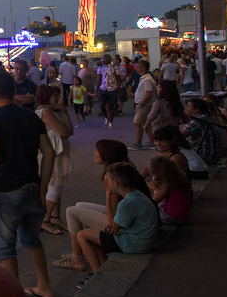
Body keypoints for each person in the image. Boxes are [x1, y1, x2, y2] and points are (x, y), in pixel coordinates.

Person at [0, 71, 56, 297]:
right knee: (31, 239)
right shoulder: (31, 117)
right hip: (32, 186)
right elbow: (49, 153)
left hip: (7, 190)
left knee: (5, 248)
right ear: (15, 90)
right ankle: (44, 286)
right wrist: (43, 186)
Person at [53, 139, 133, 272]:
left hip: (122, 225)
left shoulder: (111, 176)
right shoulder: (124, 168)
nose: (94, 152)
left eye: (98, 151)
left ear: (107, 155)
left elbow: (113, 213)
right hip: (124, 217)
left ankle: (77, 259)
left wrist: (105, 210)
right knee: (79, 205)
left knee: (71, 211)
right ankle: (81, 252)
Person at [77, 162, 159, 271]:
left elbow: (112, 226)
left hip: (135, 244)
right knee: (95, 234)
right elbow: (115, 227)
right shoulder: (137, 195)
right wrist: (114, 228)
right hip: (143, 240)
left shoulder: (127, 203)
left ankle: (96, 273)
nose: (108, 183)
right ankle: (103, 268)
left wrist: (108, 198)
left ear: (115, 183)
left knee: (82, 235)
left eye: (109, 180)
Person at [35, 85, 73, 236]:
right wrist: (63, 112)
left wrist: (64, 111)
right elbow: (64, 132)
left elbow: (70, 131)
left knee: (58, 185)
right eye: (55, 96)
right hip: (53, 155)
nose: (57, 99)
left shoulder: (50, 112)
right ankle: (45, 220)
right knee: (55, 186)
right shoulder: (45, 112)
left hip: (57, 153)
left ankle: (55, 217)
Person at [145, 155, 192, 225]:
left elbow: (154, 201)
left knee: (145, 213)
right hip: (182, 216)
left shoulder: (166, 182)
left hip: (172, 216)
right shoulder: (175, 177)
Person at [182, 98, 222, 165]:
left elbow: (180, 135)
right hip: (211, 155)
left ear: (196, 110)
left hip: (205, 156)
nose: (186, 107)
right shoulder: (204, 117)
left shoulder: (198, 120)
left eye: (188, 106)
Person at [132, 60, 157, 149]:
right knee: (146, 123)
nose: (136, 68)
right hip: (144, 103)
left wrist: (142, 103)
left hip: (144, 104)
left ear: (143, 68)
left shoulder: (147, 79)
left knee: (137, 122)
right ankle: (151, 142)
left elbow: (148, 93)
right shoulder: (145, 78)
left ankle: (138, 143)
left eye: (138, 66)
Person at [96, 55, 122, 129]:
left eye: (105, 59)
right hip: (103, 88)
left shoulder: (114, 67)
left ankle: (110, 122)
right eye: (103, 59)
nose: (103, 60)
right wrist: (97, 89)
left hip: (112, 88)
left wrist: (118, 87)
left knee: (111, 106)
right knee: (101, 105)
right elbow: (99, 79)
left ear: (109, 60)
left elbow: (118, 78)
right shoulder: (100, 67)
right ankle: (106, 117)